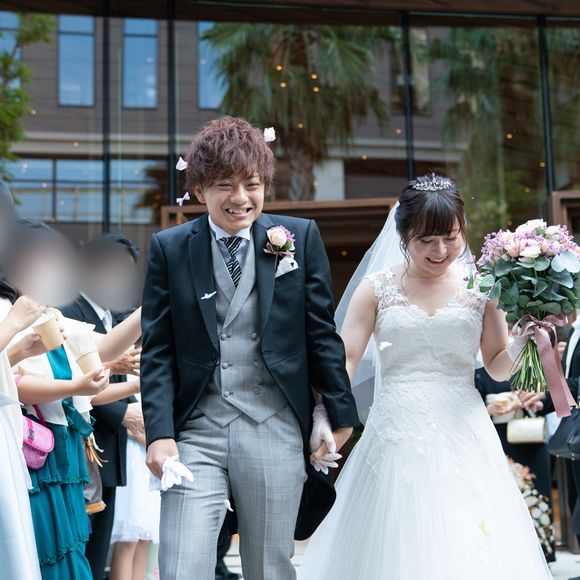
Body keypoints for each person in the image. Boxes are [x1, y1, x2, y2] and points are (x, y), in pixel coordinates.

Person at [299, 174, 552, 579]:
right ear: (403, 235)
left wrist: (524, 342)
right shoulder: (376, 288)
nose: (441, 251)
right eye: (426, 240)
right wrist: (325, 414)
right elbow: (344, 360)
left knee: (466, 541)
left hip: (464, 433)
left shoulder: (484, 287)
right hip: (394, 432)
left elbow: (495, 365)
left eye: (450, 238)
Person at [140, 116, 359, 580]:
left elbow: (321, 333)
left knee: (268, 569)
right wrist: (159, 433)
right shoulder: (170, 248)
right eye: (225, 185)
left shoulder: (299, 238)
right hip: (196, 431)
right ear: (200, 188)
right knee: (180, 566)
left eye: (252, 185)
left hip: (273, 426)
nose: (240, 198)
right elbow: (158, 349)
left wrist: (339, 414)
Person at [60, 234, 142, 580]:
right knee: (82, 547)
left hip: (111, 448)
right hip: (84, 444)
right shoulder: (68, 311)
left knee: (99, 546)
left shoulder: (114, 316)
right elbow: (76, 377)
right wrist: (123, 414)